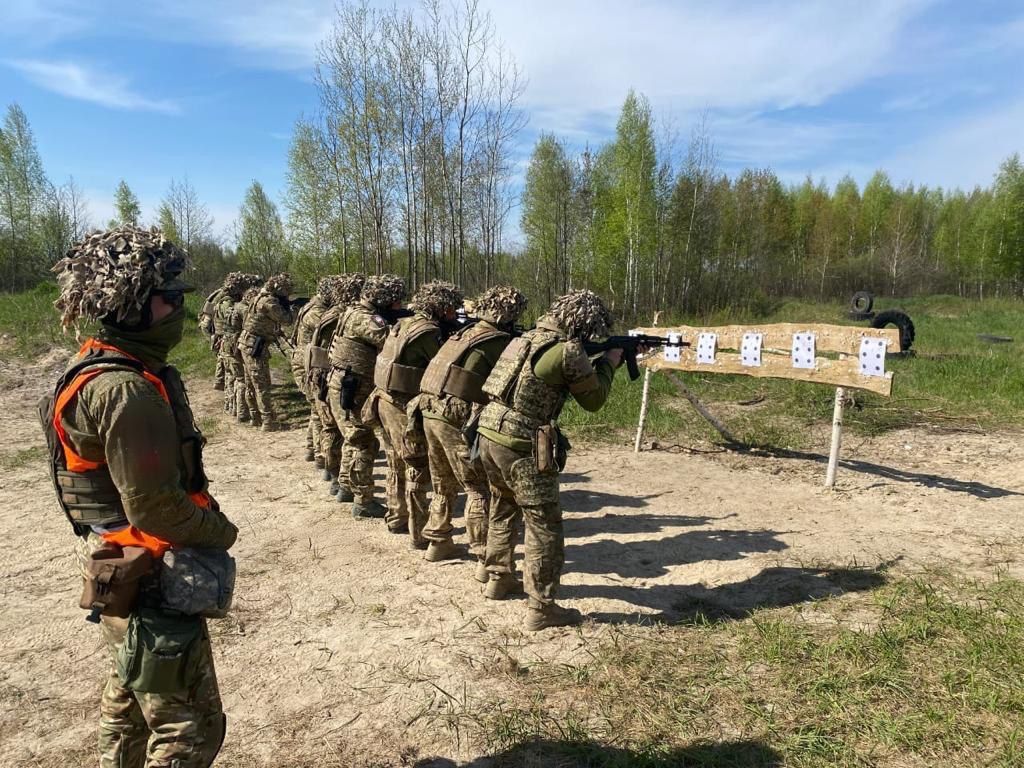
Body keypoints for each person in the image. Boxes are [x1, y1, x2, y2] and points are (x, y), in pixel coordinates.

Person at [43, 226, 238, 766]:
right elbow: (157, 509)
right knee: (189, 731)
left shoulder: (92, 368)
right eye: (169, 298)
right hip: (149, 574)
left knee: (127, 707)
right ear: (133, 306)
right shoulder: (126, 390)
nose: (179, 309)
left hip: (116, 564)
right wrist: (222, 533)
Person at [477, 289, 625, 631]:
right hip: (521, 444)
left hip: (488, 433)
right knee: (544, 525)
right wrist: (609, 365)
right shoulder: (568, 350)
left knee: (502, 504)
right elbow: (594, 401)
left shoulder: (525, 339)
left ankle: (498, 578)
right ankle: (542, 608)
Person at [419, 286, 527, 571]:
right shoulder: (497, 340)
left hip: (429, 410)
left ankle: (438, 541)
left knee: (442, 481)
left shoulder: (465, 332)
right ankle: (482, 556)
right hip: (453, 415)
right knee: (478, 487)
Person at [368, 280, 462, 548]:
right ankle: (418, 533)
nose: (454, 314)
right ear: (441, 308)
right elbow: (443, 366)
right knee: (417, 465)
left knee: (395, 461)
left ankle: (397, 516)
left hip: (383, 400)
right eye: (452, 310)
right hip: (399, 405)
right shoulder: (428, 332)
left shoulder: (405, 323)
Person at [326, 274, 406, 518]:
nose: (399, 306)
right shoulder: (366, 319)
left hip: (345, 383)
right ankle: (363, 501)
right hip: (353, 386)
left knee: (353, 437)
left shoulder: (353, 311)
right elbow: (394, 342)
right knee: (364, 442)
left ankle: (345, 487)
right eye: (396, 302)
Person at [308, 273, 365, 497]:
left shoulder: (333, 314)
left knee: (330, 426)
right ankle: (338, 479)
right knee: (344, 432)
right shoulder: (342, 317)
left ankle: (332, 474)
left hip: (322, 375)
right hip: (328, 377)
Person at [238, 273, 293, 432]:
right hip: (255, 346)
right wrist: (292, 308)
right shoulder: (269, 302)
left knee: (251, 383)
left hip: (247, 343)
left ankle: (255, 417)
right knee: (262, 385)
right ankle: (268, 421)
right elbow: (287, 320)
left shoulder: (259, 297)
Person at [290, 277, 335, 465]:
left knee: (315, 409)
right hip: (307, 365)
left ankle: (311, 448)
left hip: (306, 361)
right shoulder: (318, 312)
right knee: (319, 410)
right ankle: (320, 454)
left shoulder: (312, 306)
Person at [214, 272, 257, 419]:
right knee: (240, 379)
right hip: (232, 344)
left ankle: (230, 406)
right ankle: (241, 412)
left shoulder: (221, 301)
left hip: (225, 343)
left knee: (230, 376)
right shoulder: (230, 305)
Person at [198, 280, 228, 391]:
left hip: (206, 322)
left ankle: (220, 380)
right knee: (222, 353)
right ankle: (221, 380)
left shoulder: (218, 292)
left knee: (221, 353)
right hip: (210, 324)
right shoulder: (224, 296)